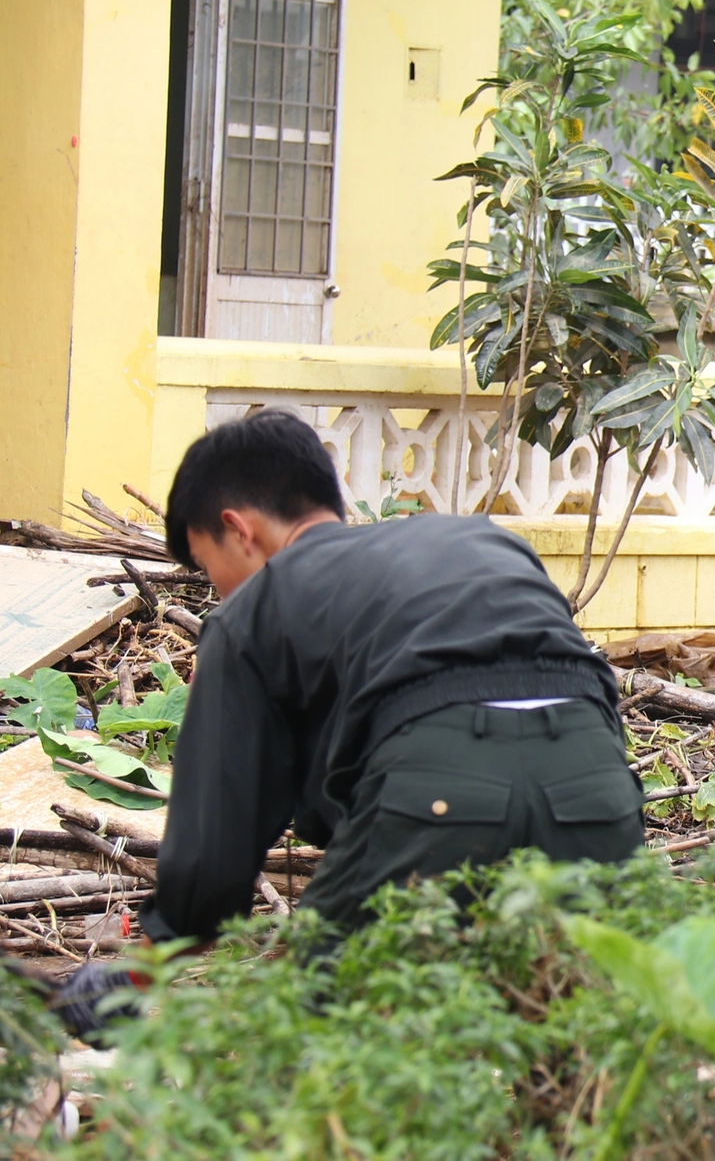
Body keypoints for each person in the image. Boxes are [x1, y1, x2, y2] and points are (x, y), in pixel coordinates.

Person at [50, 411, 648, 1038]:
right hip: (598, 789)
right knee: (579, 1047)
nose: (218, 591)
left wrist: (135, 976)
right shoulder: (484, 542)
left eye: (207, 567)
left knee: (328, 1045)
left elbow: (213, 858)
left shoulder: (257, 607)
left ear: (237, 529)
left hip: (437, 795)